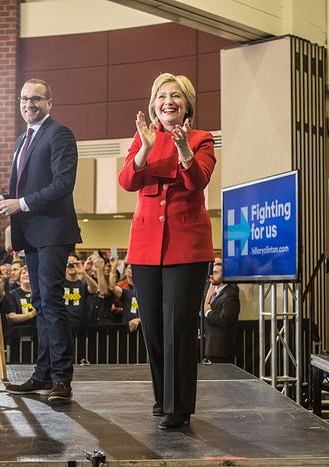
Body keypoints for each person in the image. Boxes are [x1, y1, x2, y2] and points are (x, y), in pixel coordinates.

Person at [0, 78, 81, 403]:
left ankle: (62, 378)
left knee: (51, 301)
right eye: (24, 99)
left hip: (53, 232)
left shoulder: (58, 134)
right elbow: (23, 192)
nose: (29, 104)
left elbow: (63, 184)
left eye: (36, 99)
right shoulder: (23, 139)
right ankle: (42, 373)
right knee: (41, 304)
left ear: (49, 102)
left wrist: (18, 204)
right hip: (31, 234)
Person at [119, 72, 216, 429]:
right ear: (153, 104)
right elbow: (128, 181)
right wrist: (144, 148)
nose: (168, 101)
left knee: (179, 327)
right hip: (145, 247)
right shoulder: (142, 136)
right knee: (154, 328)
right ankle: (162, 398)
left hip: (186, 248)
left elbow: (197, 180)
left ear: (188, 104)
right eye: (162, 96)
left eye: (176, 96)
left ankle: (179, 407)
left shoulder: (202, 139)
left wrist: (184, 151)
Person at [202, 263, 240, 363]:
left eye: (215, 273)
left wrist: (208, 312)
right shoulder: (215, 292)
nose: (211, 276)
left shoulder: (231, 294)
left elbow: (225, 320)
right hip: (209, 347)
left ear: (224, 275)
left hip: (221, 350)